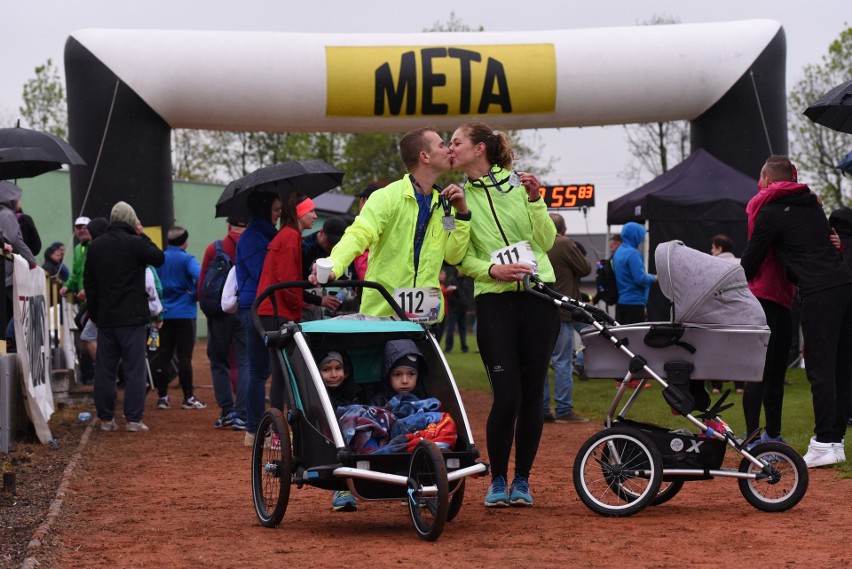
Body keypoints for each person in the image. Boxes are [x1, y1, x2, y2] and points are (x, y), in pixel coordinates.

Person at [449, 122, 559, 508]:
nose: (451, 148)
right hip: (495, 302)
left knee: (532, 395)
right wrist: (491, 271)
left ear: (479, 148)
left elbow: (545, 242)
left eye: (456, 142)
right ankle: (497, 479)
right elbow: (454, 255)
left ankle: (522, 481)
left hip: (539, 298)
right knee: (506, 395)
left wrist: (535, 200)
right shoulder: (454, 197)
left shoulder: (519, 184)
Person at [741, 155, 852, 468]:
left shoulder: (769, 210)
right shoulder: (812, 203)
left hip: (818, 292)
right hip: (844, 283)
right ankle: (836, 442)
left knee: (819, 368)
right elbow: (822, 243)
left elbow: (751, 259)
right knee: (842, 367)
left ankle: (821, 443)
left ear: (766, 179)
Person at [310, 127, 470, 324]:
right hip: (383, 313)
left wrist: (462, 214)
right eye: (442, 145)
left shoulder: (445, 205)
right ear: (425, 156)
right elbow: (359, 233)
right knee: (402, 356)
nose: (449, 150)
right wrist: (335, 262)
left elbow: (453, 256)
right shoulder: (386, 197)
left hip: (427, 317)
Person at [84, 201, 164, 432]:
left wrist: (96, 314)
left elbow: (90, 284)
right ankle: (133, 419)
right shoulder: (136, 243)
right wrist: (143, 235)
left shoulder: (96, 246)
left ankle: (107, 419)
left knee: (104, 370)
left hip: (106, 319)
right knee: (134, 369)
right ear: (131, 220)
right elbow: (159, 258)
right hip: (132, 319)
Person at [249, 193, 316, 441]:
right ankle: (279, 431)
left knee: (282, 372)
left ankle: (278, 430)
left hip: (274, 310)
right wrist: (300, 306)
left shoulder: (288, 235)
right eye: (311, 210)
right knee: (284, 373)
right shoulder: (290, 237)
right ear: (299, 212)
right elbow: (287, 283)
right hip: (277, 312)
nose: (315, 215)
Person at [235, 191, 281, 446]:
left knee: (260, 370)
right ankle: (254, 430)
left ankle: (256, 429)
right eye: (275, 211)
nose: (277, 216)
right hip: (256, 307)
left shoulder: (261, 235)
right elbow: (263, 272)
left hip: (257, 306)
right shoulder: (253, 237)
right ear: (264, 210)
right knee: (258, 370)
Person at [199, 216, 249, 430]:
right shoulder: (252, 248)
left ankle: (227, 411)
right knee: (246, 361)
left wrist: (209, 313)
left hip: (219, 313)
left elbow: (203, 284)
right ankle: (243, 413)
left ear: (229, 225)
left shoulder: (215, 248)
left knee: (219, 362)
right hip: (244, 310)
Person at [542, 213, 591, 424]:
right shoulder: (563, 243)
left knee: (542, 363)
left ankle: (541, 409)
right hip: (563, 310)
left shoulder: (534, 241)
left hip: (539, 309)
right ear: (563, 229)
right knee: (562, 361)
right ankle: (563, 409)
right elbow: (585, 268)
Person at [152, 226, 206, 411]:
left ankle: (162, 398)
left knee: (164, 356)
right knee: (184, 357)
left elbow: (153, 282)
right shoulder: (187, 259)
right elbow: (201, 278)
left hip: (165, 314)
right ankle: (188, 398)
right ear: (185, 241)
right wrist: (192, 296)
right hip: (184, 314)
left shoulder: (160, 259)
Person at [315, 349, 363, 512]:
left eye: (338, 368)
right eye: (326, 369)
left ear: (346, 372)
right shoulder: (315, 398)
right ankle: (342, 488)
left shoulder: (355, 393)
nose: (334, 374)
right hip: (330, 443)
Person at [0, 182, 38, 340]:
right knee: (19, 308)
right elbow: (16, 240)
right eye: (18, 199)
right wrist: (31, 260)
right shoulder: (7, 215)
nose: (20, 203)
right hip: (9, 272)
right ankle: (9, 339)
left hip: (5, 271)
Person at [709, 234, 745, 395]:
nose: (711, 251)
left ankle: (716, 385)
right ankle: (740, 385)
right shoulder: (740, 263)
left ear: (719, 248)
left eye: (713, 247)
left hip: (719, 310)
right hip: (739, 311)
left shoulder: (712, 263)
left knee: (717, 349)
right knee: (738, 348)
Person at [301, 216, 347, 320]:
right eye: (330, 241)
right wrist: (320, 300)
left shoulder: (331, 251)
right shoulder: (304, 248)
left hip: (315, 307)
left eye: (336, 244)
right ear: (321, 232)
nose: (332, 246)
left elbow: (339, 274)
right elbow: (293, 287)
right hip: (299, 308)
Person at [613, 221, 656, 325]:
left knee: (622, 337)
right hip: (634, 304)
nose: (641, 240)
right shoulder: (633, 254)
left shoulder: (618, 252)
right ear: (635, 236)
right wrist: (654, 278)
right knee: (635, 339)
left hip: (621, 303)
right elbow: (640, 279)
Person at [443, 268, 471, 353]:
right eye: (460, 270)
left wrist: (465, 303)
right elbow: (449, 295)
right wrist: (458, 302)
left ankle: (464, 347)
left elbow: (466, 294)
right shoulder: (451, 280)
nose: (462, 272)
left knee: (463, 328)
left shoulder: (464, 281)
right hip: (454, 309)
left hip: (463, 309)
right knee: (451, 328)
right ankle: (448, 347)